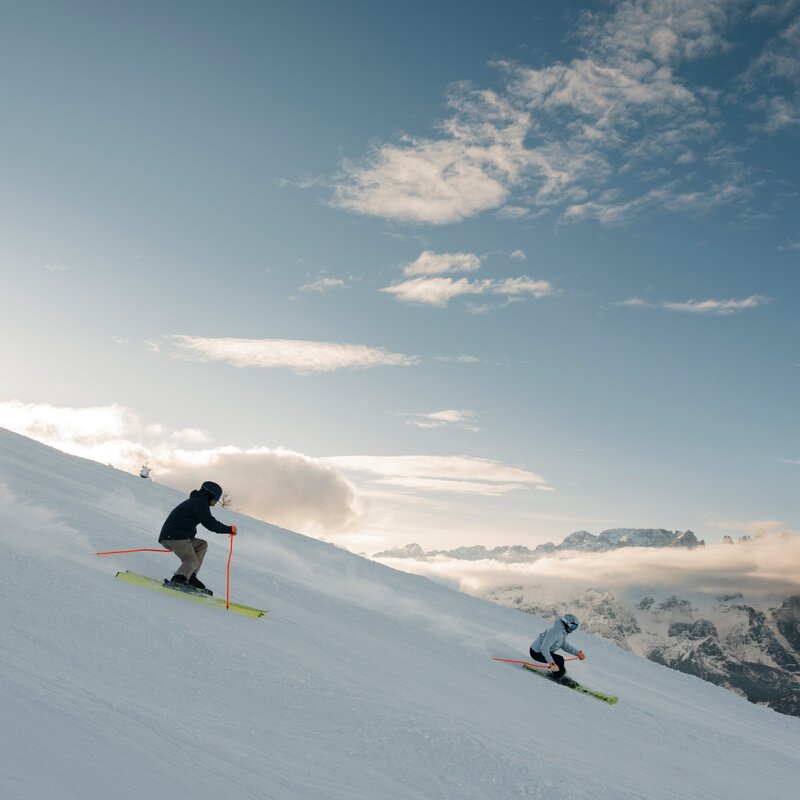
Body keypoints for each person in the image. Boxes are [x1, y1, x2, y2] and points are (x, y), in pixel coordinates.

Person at [158, 481, 236, 595]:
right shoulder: (200, 503)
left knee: (202, 545)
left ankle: (190, 576)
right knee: (191, 559)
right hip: (174, 537)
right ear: (210, 494)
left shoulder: (197, 502)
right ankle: (179, 580)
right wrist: (229, 529)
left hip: (176, 536)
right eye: (216, 497)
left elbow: (186, 521)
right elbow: (210, 523)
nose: (216, 501)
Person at [530, 613, 586, 683]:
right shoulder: (555, 632)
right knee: (559, 660)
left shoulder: (562, 632)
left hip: (543, 652)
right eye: (573, 626)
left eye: (575, 627)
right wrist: (552, 664)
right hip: (536, 652)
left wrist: (577, 653)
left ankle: (559, 674)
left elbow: (564, 645)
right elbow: (544, 648)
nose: (573, 629)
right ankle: (558, 676)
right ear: (566, 623)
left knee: (559, 660)